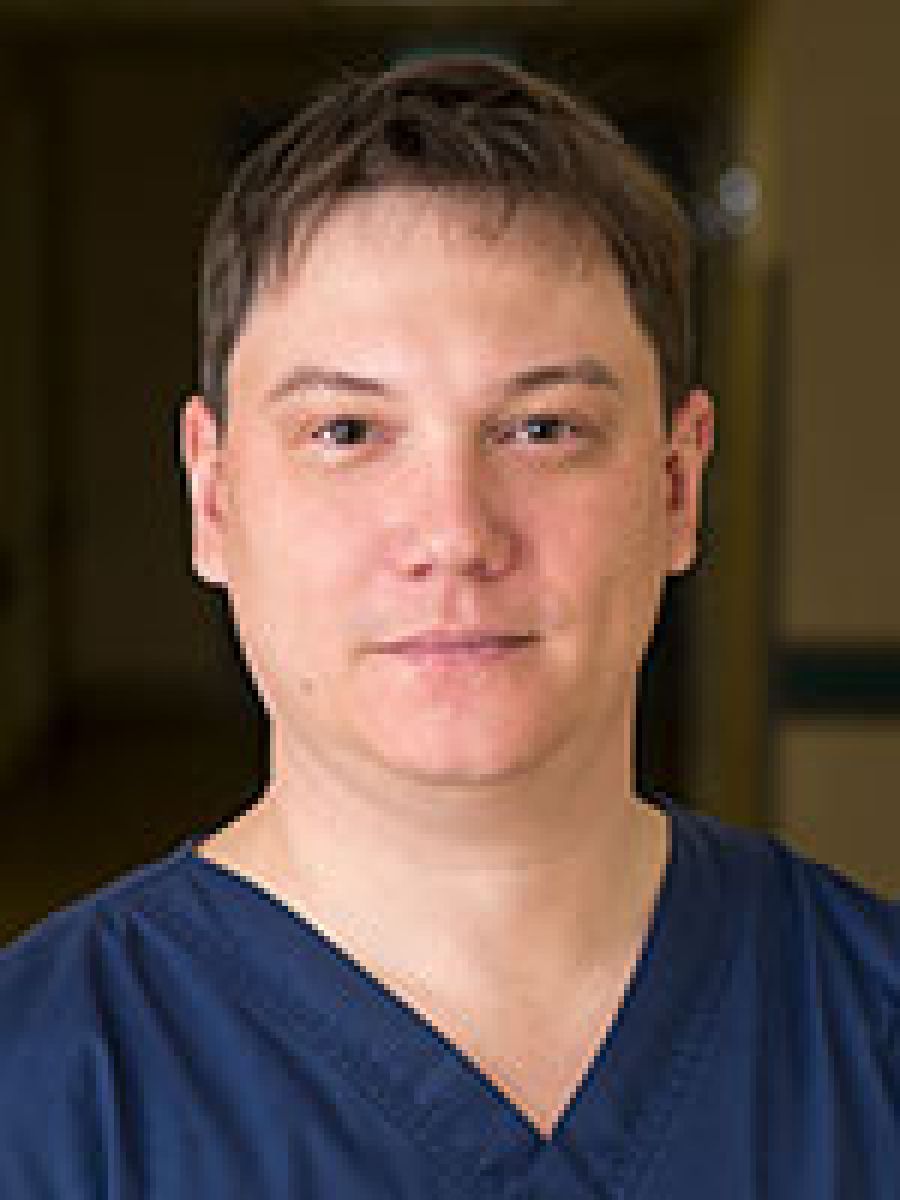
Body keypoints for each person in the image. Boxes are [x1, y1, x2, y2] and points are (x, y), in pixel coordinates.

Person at [1, 51, 897, 1199]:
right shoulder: (41, 1094)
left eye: (543, 429)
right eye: (346, 432)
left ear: (678, 485)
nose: (456, 534)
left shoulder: (873, 1028)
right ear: (213, 498)